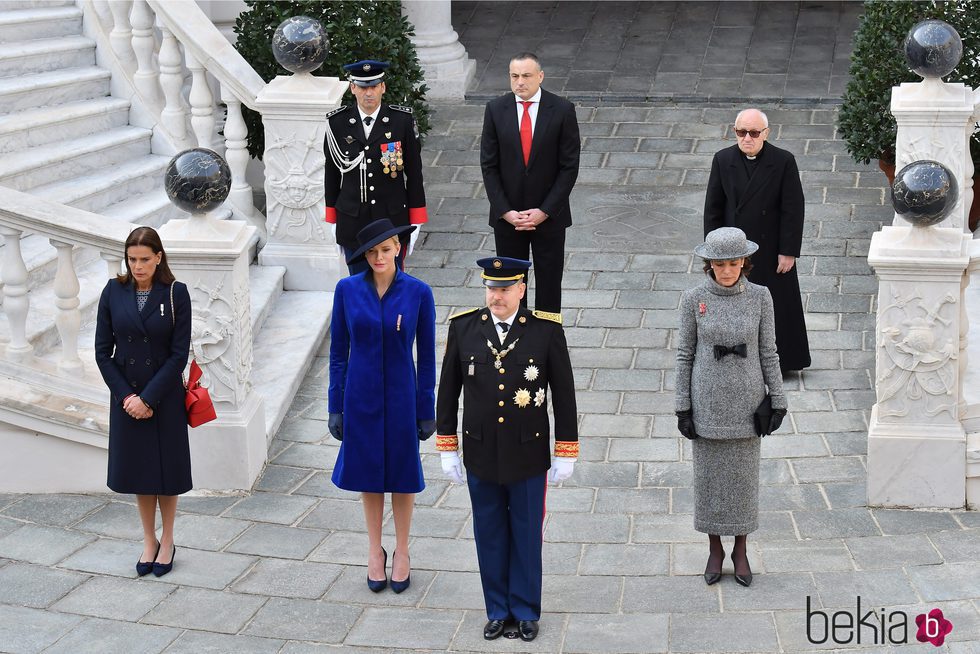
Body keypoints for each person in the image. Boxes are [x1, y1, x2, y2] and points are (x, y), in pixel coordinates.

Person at [436, 256, 578, 642]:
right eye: (490, 288)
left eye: (503, 289)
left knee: (527, 531)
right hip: (480, 452)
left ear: (521, 289)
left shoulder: (545, 332)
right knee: (489, 532)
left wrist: (566, 449)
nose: (495, 296)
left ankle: (526, 609)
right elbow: (447, 392)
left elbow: (564, 395)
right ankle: (498, 609)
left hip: (528, 453)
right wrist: (447, 446)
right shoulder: (464, 328)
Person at [328, 218, 436, 594]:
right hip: (360, 397)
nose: (379, 257)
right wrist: (335, 405)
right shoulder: (346, 291)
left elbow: (427, 357)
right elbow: (338, 353)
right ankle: (375, 551)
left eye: (386, 250)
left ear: (399, 250)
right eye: (372, 252)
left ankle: (403, 551)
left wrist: (427, 408)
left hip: (403, 395)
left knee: (403, 476)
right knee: (369, 476)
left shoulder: (419, 293)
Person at [675, 227, 787, 588]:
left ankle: (740, 549)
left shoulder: (761, 297)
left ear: (745, 262)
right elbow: (684, 354)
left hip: (746, 402)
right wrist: (683, 407)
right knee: (708, 480)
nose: (727, 270)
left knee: (741, 479)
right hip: (706, 399)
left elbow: (769, 351)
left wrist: (779, 400)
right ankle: (714, 548)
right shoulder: (693, 299)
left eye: (734, 263)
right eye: (720, 264)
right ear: (709, 265)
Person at [94, 226, 192, 578]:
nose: (137, 266)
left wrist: (149, 397)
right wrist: (128, 397)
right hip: (126, 397)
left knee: (167, 472)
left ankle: (168, 540)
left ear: (158, 258)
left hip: (164, 396)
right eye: (132, 259)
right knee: (140, 473)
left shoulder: (175, 293)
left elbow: (179, 354)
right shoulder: (113, 291)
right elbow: (103, 352)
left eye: (144, 259)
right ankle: (148, 540)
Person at [703, 107, 810, 372]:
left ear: (766, 133)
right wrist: (713, 252)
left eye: (753, 132)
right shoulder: (722, 159)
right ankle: (733, 357)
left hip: (771, 247)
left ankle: (781, 362)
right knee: (732, 306)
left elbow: (792, 208)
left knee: (775, 306)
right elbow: (713, 209)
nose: (747, 138)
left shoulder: (783, 161)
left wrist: (788, 250)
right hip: (733, 250)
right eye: (741, 132)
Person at [480, 52, 581, 321]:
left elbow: (569, 166)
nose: (520, 82)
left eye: (526, 76)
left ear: (540, 76)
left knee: (549, 283)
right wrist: (505, 211)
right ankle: (515, 337)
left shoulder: (561, 110)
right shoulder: (495, 109)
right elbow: (488, 166)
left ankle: (548, 340)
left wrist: (545, 210)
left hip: (548, 218)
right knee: (511, 283)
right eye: (515, 76)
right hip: (508, 219)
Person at [324, 60, 427, 275]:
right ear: (353, 88)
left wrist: (416, 219)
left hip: (392, 219)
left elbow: (414, 173)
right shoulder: (338, 123)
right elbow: (332, 174)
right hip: (353, 221)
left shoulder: (402, 121)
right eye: (362, 87)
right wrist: (332, 219)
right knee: (359, 285)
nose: (368, 93)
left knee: (393, 284)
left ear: (383, 87)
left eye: (373, 86)